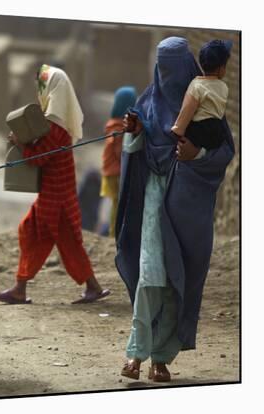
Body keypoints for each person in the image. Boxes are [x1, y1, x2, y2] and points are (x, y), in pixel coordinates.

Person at [115, 37, 234, 382]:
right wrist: (134, 133)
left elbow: (224, 151)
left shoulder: (206, 100)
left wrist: (196, 155)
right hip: (153, 198)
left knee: (174, 281)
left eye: (173, 68)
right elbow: (137, 146)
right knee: (151, 275)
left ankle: (161, 359)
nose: (168, 76)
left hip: (186, 206)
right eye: (162, 67)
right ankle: (136, 354)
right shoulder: (148, 102)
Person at [0, 64, 110, 305]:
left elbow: (38, 159)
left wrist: (20, 143)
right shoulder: (57, 123)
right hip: (58, 196)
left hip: (56, 200)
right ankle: (89, 287)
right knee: (48, 238)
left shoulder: (54, 126)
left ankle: (21, 288)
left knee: (45, 238)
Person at [171, 39, 233, 150]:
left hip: (199, 132)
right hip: (217, 134)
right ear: (220, 69)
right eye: (225, 66)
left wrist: (178, 129)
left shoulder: (196, 86)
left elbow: (187, 110)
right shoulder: (224, 87)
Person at [100, 86, 137, 238]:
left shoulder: (112, 124)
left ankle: (115, 232)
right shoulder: (119, 127)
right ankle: (114, 234)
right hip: (116, 172)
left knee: (116, 204)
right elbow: (118, 151)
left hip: (110, 170)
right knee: (117, 204)